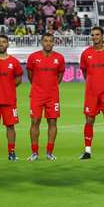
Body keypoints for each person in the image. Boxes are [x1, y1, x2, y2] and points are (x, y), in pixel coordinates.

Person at [79, 26, 104, 160]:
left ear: (103, 36)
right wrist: (93, 82)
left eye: (97, 35)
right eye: (93, 35)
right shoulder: (86, 53)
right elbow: (84, 72)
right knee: (89, 121)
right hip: (91, 93)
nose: (95, 37)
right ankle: (87, 151)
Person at [26, 33, 66, 161]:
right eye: (45, 41)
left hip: (52, 95)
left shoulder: (59, 58)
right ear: (41, 42)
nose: (48, 43)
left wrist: (51, 86)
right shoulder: (33, 57)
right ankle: (34, 153)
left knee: (52, 122)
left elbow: (60, 76)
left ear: (54, 43)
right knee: (35, 122)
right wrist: (39, 87)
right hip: (37, 95)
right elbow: (30, 75)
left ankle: (49, 152)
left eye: (50, 41)